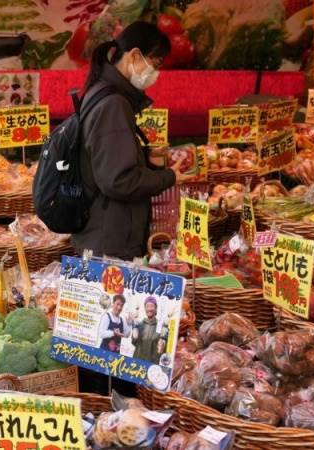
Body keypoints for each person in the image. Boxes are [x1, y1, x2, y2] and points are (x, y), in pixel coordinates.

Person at [73, 21, 194, 261]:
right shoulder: (114, 104)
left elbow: (106, 159)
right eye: (155, 64)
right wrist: (168, 177)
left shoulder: (103, 93)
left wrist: (142, 156)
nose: (155, 74)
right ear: (135, 55)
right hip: (110, 240)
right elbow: (119, 180)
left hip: (102, 233)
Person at [132, 296, 167, 363]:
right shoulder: (140, 324)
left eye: (152, 306)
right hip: (137, 362)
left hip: (152, 365)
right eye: (147, 306)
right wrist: (134, 326)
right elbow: (134, 342)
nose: (149, 309)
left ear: (156, 309)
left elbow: (162, 350)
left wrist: (163, 341)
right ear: (145, 309)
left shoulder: (161, 327)